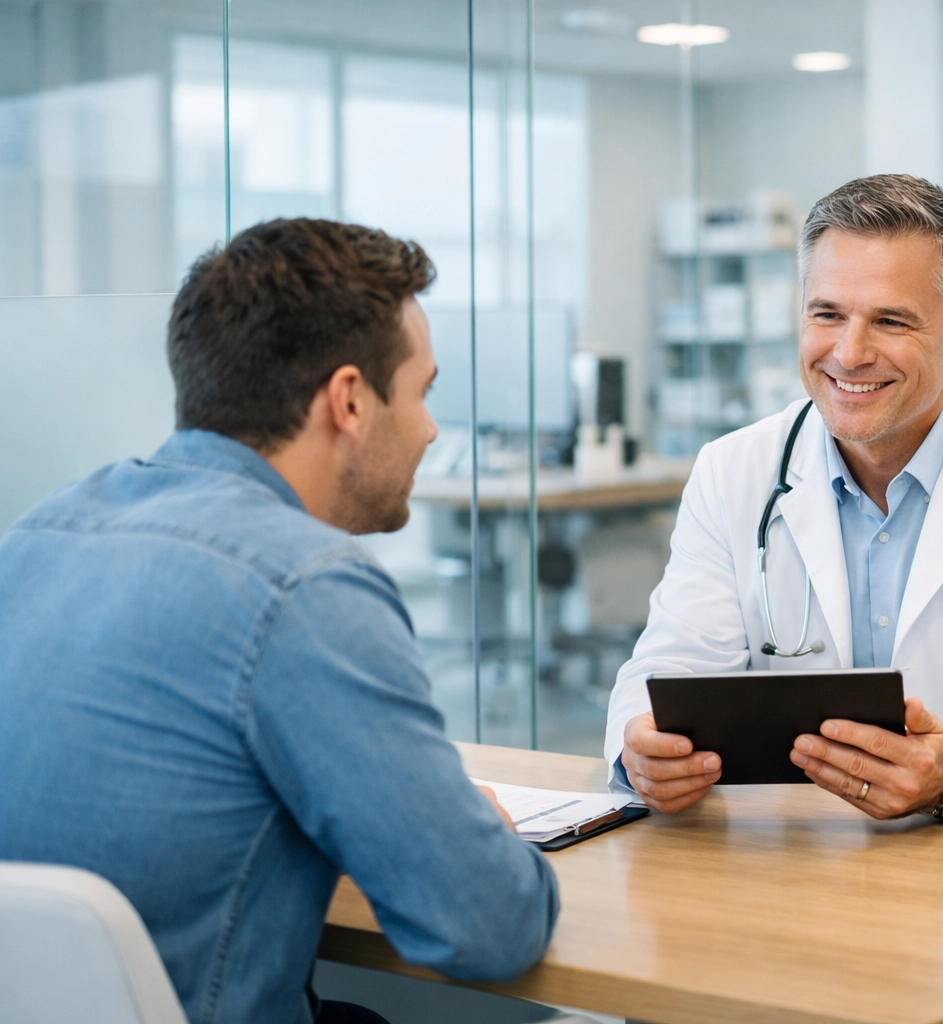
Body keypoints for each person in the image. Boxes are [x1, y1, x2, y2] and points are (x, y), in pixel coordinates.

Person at [0, 219, 560, 1024]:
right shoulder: (305, 585)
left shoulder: (38, 534)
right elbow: (490, 929)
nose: (433, 429)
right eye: (423, 391)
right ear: (350, 401)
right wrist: (487, 838)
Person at [606, 174, 943, 824]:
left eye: (890, 320)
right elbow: (669, 671)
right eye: (826, 314)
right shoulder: (733, 472)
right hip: (791, 863)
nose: (848, 353)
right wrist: (642, 749)